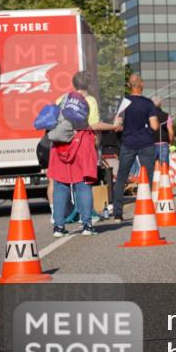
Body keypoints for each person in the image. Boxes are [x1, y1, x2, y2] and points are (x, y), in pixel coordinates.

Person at [49, 72, 119, 237]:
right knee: (83, 184)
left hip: (61, 143)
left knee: (61, 185)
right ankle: (87, 225)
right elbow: (94, 125)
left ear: (74, 84)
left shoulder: (63, 98)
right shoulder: (90, 101)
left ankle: (59, 227)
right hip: (82, 143)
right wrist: (113, 126)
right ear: (89, 85)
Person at [111, 73, 160, 222]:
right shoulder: (148, 103)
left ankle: (118, 214)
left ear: (129, 86)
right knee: (148, 177)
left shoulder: (124, 102)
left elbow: (116, 124)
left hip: (128, 143)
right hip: (146, 143)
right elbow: (154, 126)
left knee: (121, 177)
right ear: (142, 84)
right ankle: (148, 209)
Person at [151, 96, 174, 166]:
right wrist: (171, 142)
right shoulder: (167, 116)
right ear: (160, 104)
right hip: (163, 143)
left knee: (152, 167)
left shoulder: (148, 116)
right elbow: (171, 132)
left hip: (151, 144)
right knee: (164, 167)